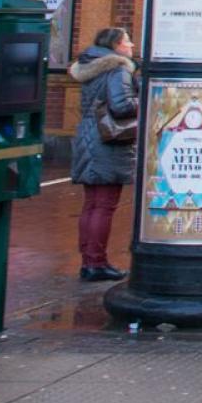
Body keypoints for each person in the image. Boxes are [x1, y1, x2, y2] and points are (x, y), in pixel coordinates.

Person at [66, 25, 137, 280]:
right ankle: (97, 262)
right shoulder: (118, 69)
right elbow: (121, 105)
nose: (131, 46)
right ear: (117, 45)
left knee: (92, 203)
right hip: (108, 140)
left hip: (88, 136)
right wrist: (150, 99)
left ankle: (88, 260)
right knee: (105, 204)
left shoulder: (90, 68)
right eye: (127, 41)